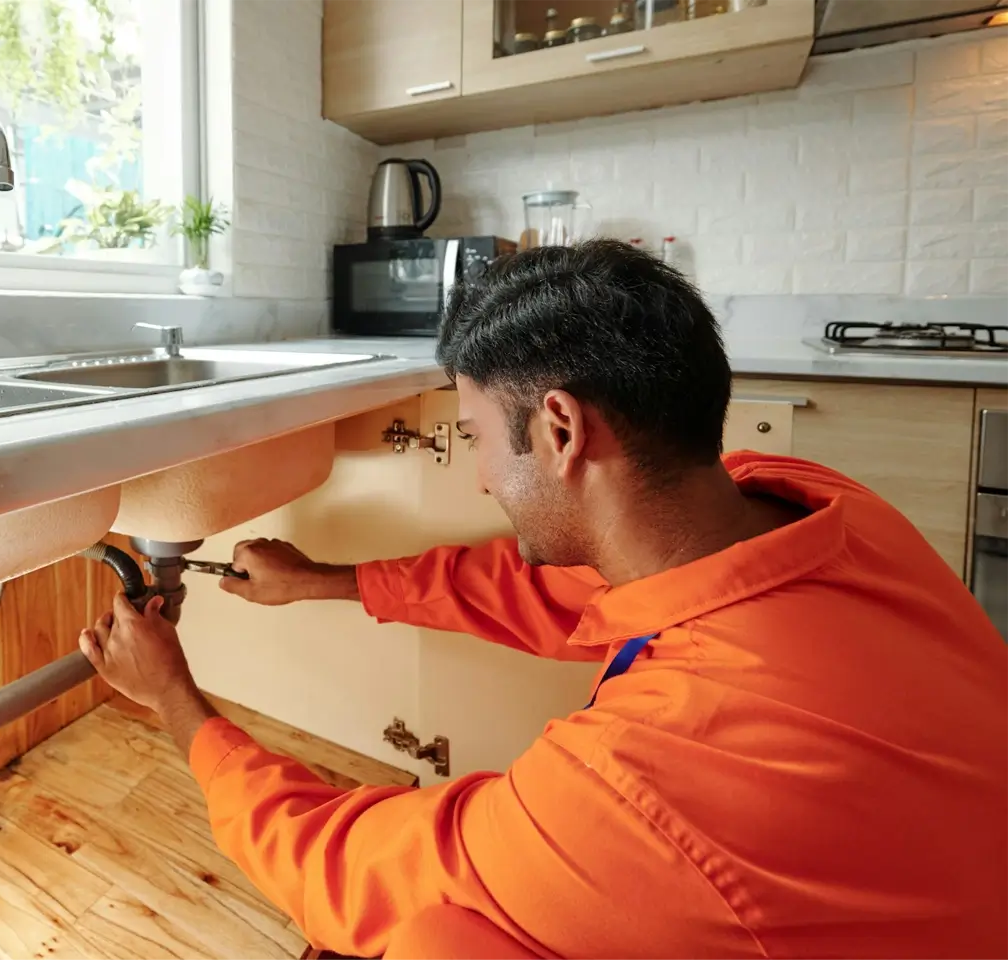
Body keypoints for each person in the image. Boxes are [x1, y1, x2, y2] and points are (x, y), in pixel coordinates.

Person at [78, 240, 1008, 960]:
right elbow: (545, 591)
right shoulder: (810, 503)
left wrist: (171, 695)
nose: (482, 477)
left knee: (436, 938)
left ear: (560, 429)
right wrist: (323, 582)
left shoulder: (649, 788)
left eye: (479, 435)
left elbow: (339, 866)